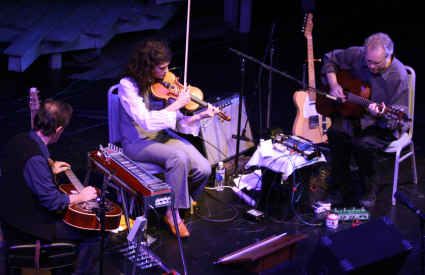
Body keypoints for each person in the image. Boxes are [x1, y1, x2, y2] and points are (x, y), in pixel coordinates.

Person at [118, 38, 219, 237]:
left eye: (167, 67)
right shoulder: (127, 86)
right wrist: (177, 104)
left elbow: (178, 122)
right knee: (178, 158)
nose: (166, 73)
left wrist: (199, 115)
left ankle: (181, 202)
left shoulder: (164, 85)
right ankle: (172, 214)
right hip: (137, 141)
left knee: (204, 168)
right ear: (147, 67)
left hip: (162, 136)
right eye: (161, 68)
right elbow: (146, 121)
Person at [0, 99, 100, 275]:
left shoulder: (20, 139)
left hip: (9, 211)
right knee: (93, 232)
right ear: (59, 130)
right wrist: (80, 197)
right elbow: (53, 202)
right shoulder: (36, 159)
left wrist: (49, 170)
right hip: (26, 223)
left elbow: (21, 173)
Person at [320, 32, 409, 207]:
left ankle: (369, 188)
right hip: (354, 114)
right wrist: (334, 84)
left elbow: (400, 117)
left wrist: (381, 114)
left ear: (388, 56)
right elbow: (330, 59)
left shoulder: (398, 75)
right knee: (336, 133)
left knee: (363, 143)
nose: (371, 66)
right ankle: (338, 187)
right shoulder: (358, 54)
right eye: (368, 62)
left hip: (381, 124)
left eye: (377, 63)